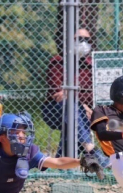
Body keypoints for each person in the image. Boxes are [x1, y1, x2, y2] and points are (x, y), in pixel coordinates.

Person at [42, 28, 108, 165]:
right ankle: (91, 150)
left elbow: (94, 94)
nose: (83, 43)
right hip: (54, 110)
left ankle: (65, 163)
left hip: (84, 113)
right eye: (79, 39)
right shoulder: (58, 62)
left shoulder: (92, 65)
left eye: (87, 40)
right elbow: (59, 95)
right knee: (71, 107)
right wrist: (82, 105)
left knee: (72, 119)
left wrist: (87, 107)